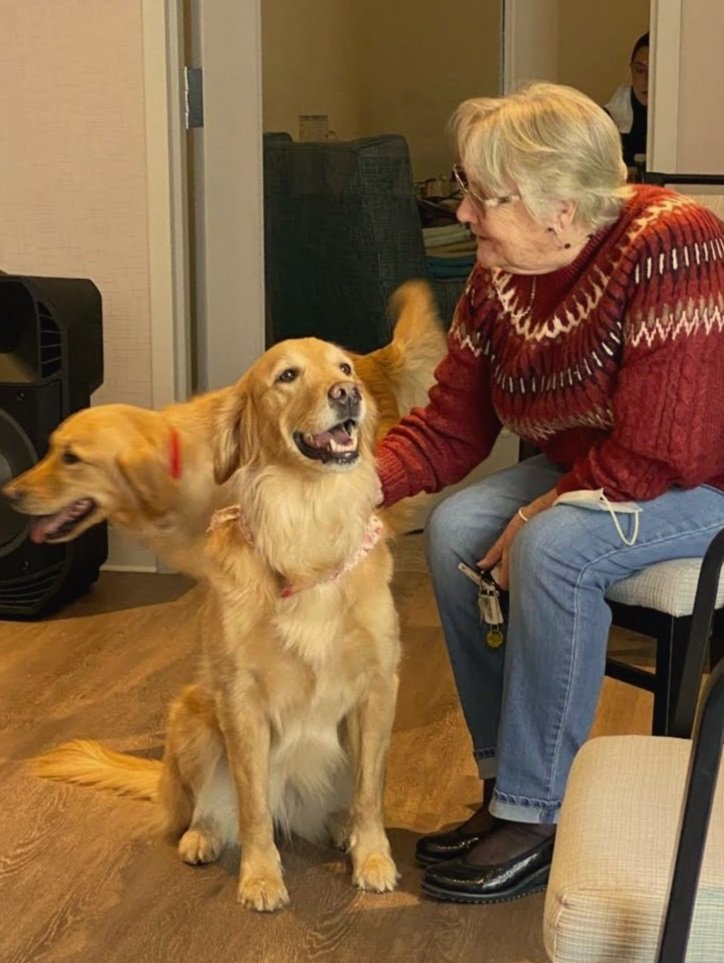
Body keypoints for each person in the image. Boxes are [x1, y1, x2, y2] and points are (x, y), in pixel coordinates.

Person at [375, 82, 724, 904]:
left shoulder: (674, 242)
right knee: (459, 528)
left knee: (553, 545)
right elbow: (449, 428)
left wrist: (541, 506)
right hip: (605, 461)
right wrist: (351, 492)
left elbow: (662, 448)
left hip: (698, 477)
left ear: (559, 210)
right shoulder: (500, 273)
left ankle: (541, 812)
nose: (462, 212)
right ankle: (505, 786)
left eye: (480, 196)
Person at [605, 31, 649, 168]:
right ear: (631, 70)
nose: (646, 80)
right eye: (640, 71)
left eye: (653, 71)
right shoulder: (610, 118)